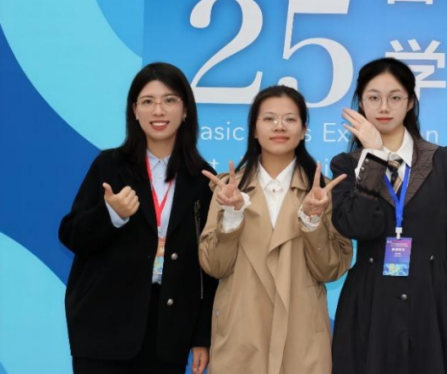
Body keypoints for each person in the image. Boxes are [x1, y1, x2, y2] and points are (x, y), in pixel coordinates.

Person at [59, 62, 217, 374]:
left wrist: (202, 336)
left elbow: (207, 267)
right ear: (135, 111)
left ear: (186, 110)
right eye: (147, 101)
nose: (158, 110)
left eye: (169, 100)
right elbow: (71, 234)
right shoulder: (110, 165)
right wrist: (111, 215)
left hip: (168, 331)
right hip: (104, 325)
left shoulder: (202, 178)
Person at [330, 58, 447, 374]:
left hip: (433, 300)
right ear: (361, 102)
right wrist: (374, 156)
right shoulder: (346, 165)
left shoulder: (443, 161)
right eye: (373, 97)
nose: (384, 107)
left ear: (410, 102)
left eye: (395, 97)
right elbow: (358, 226)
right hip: (371, 302)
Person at [199, 85, 353, 374]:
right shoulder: (228, 190)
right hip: (242, 336)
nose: (279, 126)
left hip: (301, 339)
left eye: (290, 119)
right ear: (254, 130)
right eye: (269, 118)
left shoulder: (322, 192)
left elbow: (331, 270)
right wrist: (231, 216)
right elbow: (214, 266)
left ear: (303, 130)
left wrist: (312, 221)